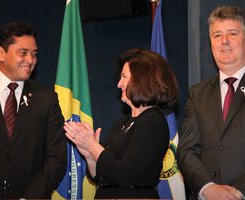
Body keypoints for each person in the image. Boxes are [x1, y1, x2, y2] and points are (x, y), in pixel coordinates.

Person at [177, 5, 245, 200]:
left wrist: (239, 192)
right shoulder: (198, 93)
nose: (224, 42)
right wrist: (208, 188)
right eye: (217, 35)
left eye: (232, 33)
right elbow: (186, 150)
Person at [64, 49, 179, 199]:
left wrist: (92, 145)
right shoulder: (121, 123)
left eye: (124, 77)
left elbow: (126, 174)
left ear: (142, 79)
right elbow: (100, 178)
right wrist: (89, 154)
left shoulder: (153, 122)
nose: (119, 84)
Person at [0, 22, 67, 199]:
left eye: (34, 54)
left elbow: (56, 158)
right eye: (23, 53)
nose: (30, 60)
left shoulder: (46, 99)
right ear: (1, 54)